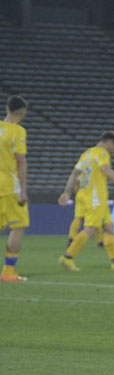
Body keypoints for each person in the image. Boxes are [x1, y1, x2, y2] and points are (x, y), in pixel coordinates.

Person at [58, 131, 114, 272]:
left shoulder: (87, 154)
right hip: (95, 197)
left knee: (108, 227)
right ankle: (68, 257)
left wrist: (67, 192)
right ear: (109, 142)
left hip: (90, 195)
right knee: (92, 229)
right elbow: (105, 170)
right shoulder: (102, 153)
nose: (113, 150)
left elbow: (74, 174)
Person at [0, 95, 29, 283]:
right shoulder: (18, 131)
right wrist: (23, 190)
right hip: (9, 186)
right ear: (22, 112)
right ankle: (9, 271)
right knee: (19, 226)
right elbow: (20, 161)